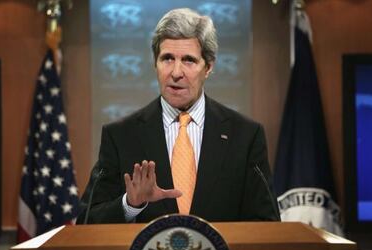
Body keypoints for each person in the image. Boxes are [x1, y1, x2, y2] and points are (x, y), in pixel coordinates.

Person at [77, 8, 279, 224]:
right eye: (167, 58)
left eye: (189, 60)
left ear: (208, 67)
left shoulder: (245, 136)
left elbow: (266, 221)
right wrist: (130, 204)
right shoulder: (120, 136)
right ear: (155, 63)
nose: (175, 72)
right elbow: (87, 221)